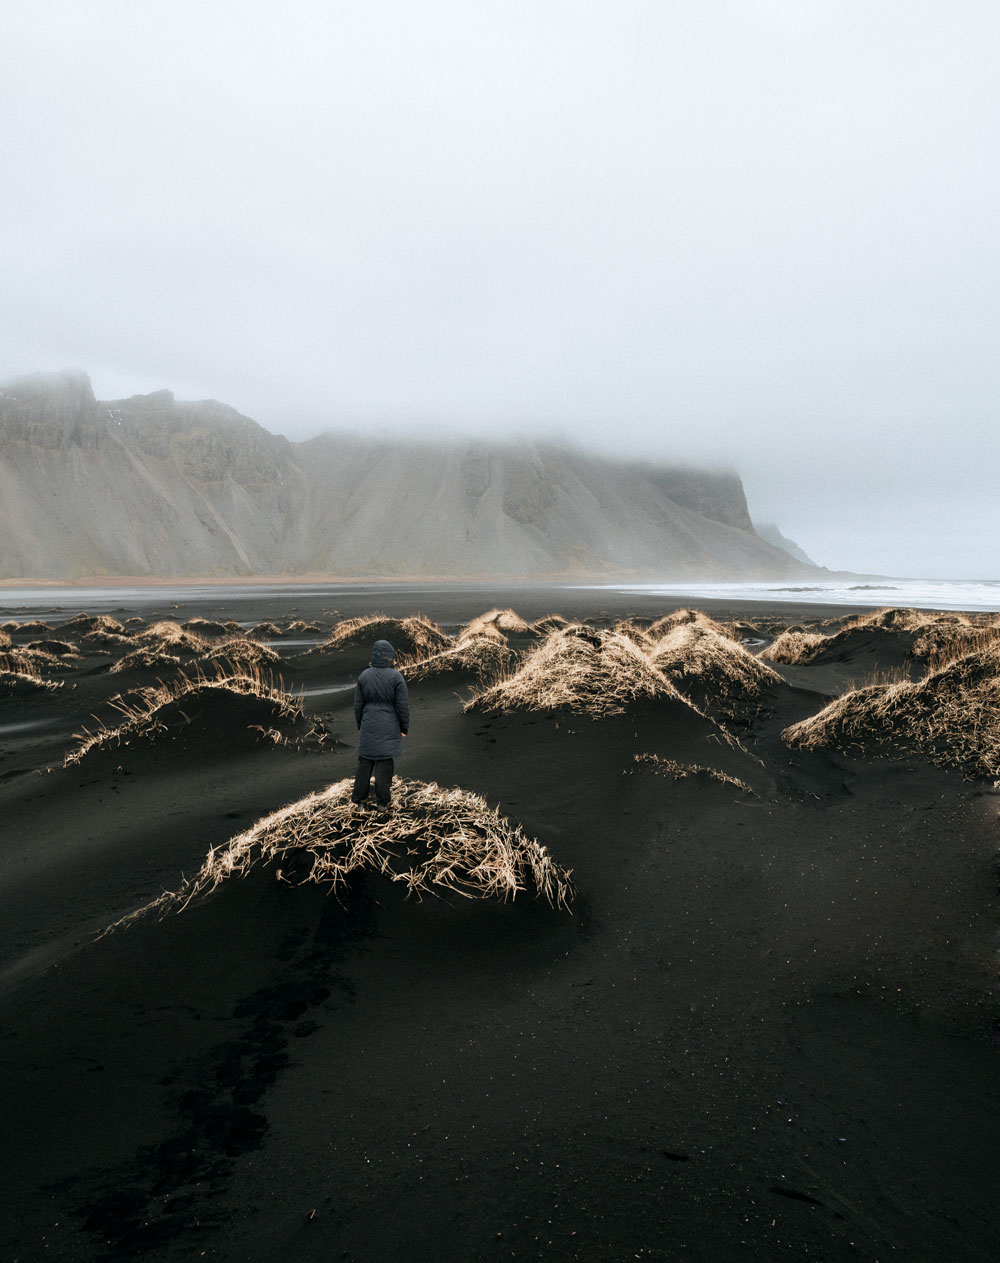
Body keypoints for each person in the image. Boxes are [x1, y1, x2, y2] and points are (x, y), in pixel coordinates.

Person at [351, 639, 409, 814]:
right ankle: (382, 804)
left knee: (365, 764)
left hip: (368, 724)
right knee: (384, 765)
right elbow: (403, 706)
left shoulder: (364, 676)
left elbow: (357, 706)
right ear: (390, 657)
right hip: (389, 726)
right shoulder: (396, 677)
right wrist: (404, 727)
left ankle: (360, 801)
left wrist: (361, 724)